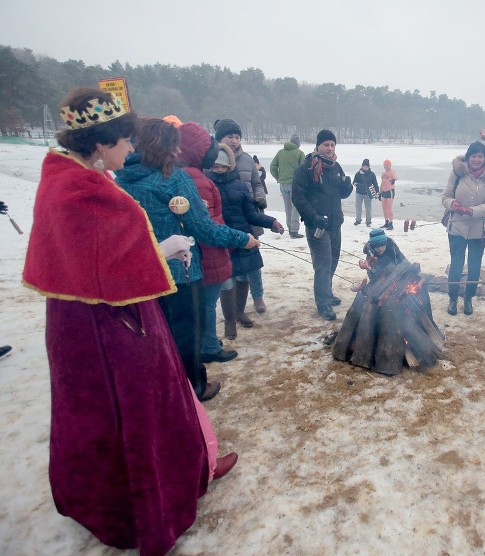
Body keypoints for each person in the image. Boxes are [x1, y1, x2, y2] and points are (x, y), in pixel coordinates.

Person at [21, 86, 238, 556]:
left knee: (135, 406)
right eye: (124, 141)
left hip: (98, 318)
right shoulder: (82, 190)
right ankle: (150, 507)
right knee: (142, 411)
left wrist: (153, 250)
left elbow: (93, 256)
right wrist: (164, 250)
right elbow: (103, 265)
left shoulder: (69, 176)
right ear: (100, 142)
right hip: (112, 327)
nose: (131, 149)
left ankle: (187, 470)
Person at [116, 117, 257, 402]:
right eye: (174, 146)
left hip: (141, 270)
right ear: (164, 147)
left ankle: (164, 385)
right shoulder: (174, 178)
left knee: (157, 333)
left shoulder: (122, 178)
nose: (179, 152)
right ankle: (193, 387)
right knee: (184, 333)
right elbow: (202, 227)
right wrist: (244, 239)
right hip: (180, 270)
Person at [177, 120, 240, 363]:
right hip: (207, 254)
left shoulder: (185, 175)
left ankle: (207, 342)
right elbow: (208, 226)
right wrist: (237, 239)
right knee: (208, 304)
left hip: (199, 254)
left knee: (204, 303)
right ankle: (210, 346)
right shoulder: (197, 181)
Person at [208, 144, 284, 337]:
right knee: (227, 281)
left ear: (229, 166)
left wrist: (272, 222)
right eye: (215, 166)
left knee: (244, 277)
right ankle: (230, 321)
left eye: (222, 166)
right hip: (223, 241)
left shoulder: (240, 186)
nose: (219, 169)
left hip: (244, 238)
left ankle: (240, 312)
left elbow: (251, 214)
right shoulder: (208, 186)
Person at [291, 129, 353, 320]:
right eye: (326, 144)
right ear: (318, 146)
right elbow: (298, 197)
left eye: (332, 145)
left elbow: (341, 194)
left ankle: (327, 292)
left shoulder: (335, 166)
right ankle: (323, 303)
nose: (329, 148)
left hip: (335, 224)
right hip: (317, 225)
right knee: (323, 264)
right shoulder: (307, 168)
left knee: (333, 261)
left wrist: (347, 187)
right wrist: (313, 216)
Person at [214, 118, 270, 314]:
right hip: (227, 219)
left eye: (237, 137)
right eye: (230, 136)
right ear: (220, 137)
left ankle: (258, 297)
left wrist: (260, 198)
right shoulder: (212, 160)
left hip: (250, 215)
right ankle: (237, 307)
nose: (234, 140)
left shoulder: (247, 159)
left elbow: (257, 183)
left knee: (253, 262)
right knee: (233, 265)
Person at [442, 141, 485, 316]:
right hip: (457, 227)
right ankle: (452, 298)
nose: (476, 159)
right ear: (468, 157)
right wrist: (453, 204)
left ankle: (468, 298)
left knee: (474, 266)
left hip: (479, 230)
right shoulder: (457, 173)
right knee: (456, 265)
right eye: (473, 156)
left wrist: (471, 211)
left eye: (480, 156)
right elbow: (445, 196)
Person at [270, 133, 306, 238]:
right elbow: (303, 169)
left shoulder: (280, 153)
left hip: (283, 183)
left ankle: (290, 228)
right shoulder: (299, 153)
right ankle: (294, 231)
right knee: (296, 207)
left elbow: (272, 167)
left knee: (288, 207)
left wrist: (278, 177)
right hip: (294, 184)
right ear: (298, 143)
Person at [352, 158, 379, 226]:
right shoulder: (358, 174)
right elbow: (354, 182)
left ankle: (368, 221)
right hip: (359, 193)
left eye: (366, 166)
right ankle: (358, 220)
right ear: (362, 166)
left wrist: (377, 192)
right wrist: (356, 184)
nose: (365, 167)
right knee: (358, 207)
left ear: (368, 167)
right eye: (364, 166)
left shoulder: (372, 174)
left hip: (368, 194)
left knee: (368, 208)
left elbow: (375, 184)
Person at [379, 159, 398, 230]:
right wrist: (380, 192)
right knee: (384, 207)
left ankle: (391, 223)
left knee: (389, 207)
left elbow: (396, 177)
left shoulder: (392, 171)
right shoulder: (383, 173)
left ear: (390, 165)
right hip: (384, 191)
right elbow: (382, 182)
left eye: (387, 165)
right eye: (385, 165)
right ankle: (386, 222)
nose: (386, 166)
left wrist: (394, 179)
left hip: (390, 191)